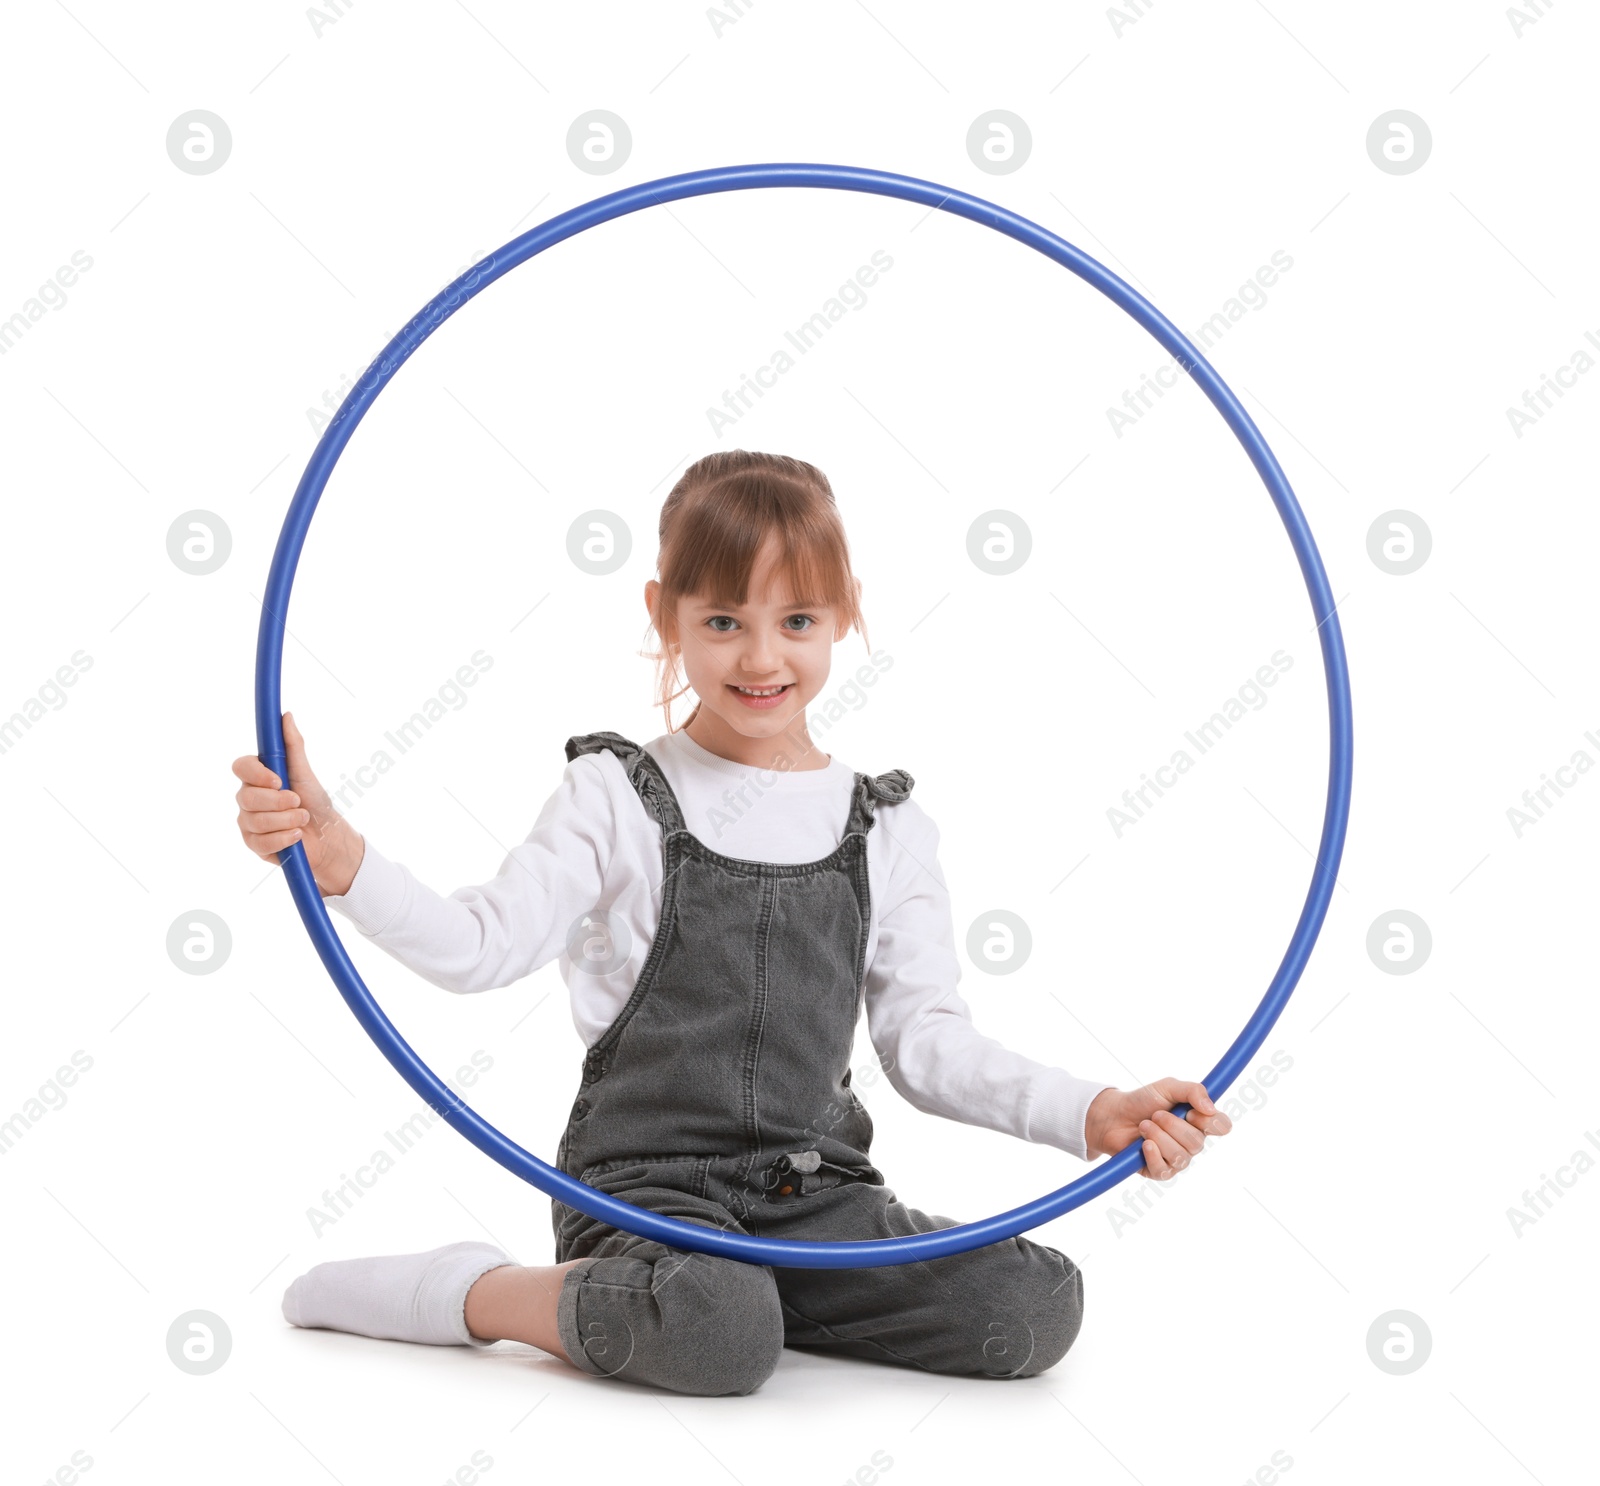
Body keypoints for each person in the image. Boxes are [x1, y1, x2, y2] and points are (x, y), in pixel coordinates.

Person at [231, 449, 1232, 1396]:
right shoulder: (615, 794)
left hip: (815, 1195)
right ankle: (481, 1291)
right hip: (644, 1194)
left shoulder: (886, 825)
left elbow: (928, 1043)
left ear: (842, 616)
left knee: (1034, 1304)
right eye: (721, 622)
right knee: (721, 1332)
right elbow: (478, 945)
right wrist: (343, 864)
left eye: (796, 619)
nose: (761, 657)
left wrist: (1091, 1110)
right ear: (663, 613)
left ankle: (747, 1294)